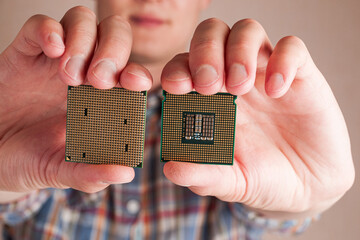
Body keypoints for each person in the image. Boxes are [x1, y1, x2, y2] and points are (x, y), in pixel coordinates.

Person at [0, 0, 355, 239]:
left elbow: (266, 218)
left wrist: (314, 191)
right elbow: (15, 203)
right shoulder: (42, 116)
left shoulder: (249, 136)